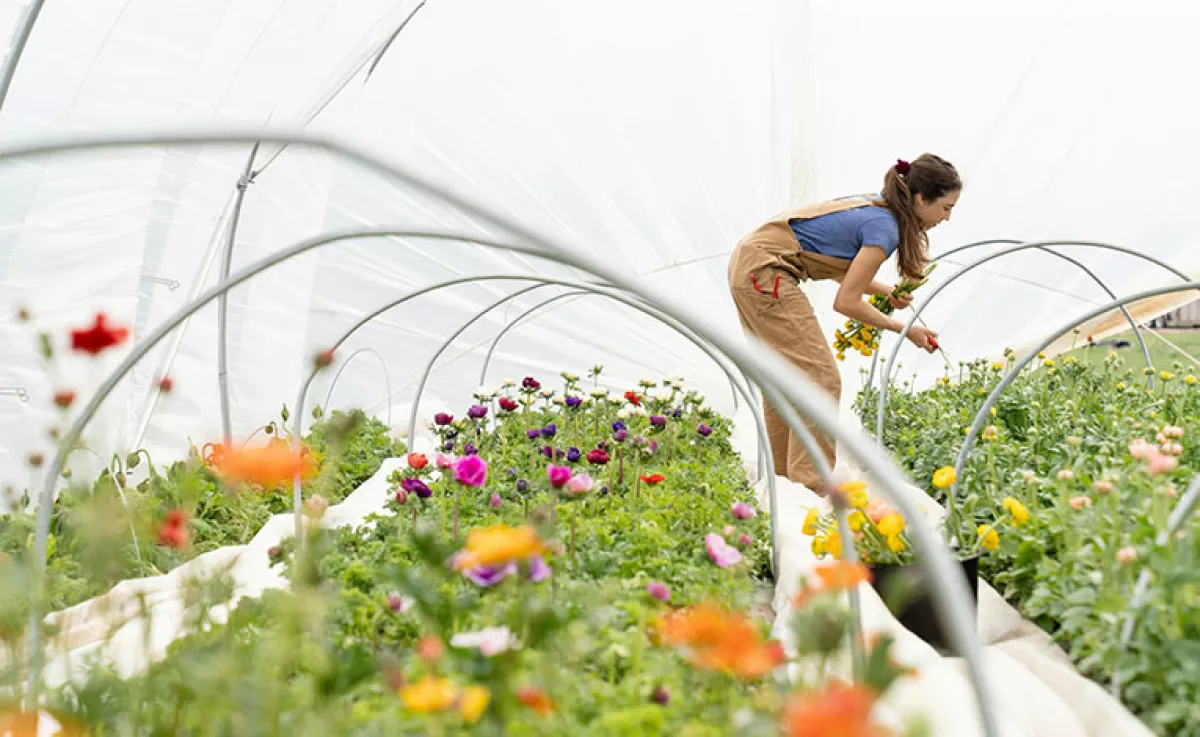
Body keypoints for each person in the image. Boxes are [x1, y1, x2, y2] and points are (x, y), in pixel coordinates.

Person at [727, 154, 962, 489]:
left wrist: (884, 290)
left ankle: (782, 484)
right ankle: (811, 486)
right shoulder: (886, 227)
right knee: (822, 380)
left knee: (784, 378)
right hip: (766, 272)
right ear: (922, 200)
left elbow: (844, 272)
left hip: (752, 264)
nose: (948, 217)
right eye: (946, 207)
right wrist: (906, 331)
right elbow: (847, 302)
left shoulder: (876, 207)